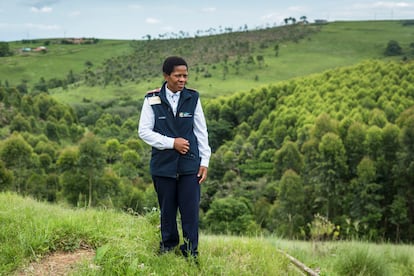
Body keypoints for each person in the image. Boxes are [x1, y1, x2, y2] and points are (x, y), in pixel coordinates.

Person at [138, 56, 211, 259]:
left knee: (190, 212)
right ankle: (168, 248)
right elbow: (144, 132)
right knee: (167, 211)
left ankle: (190, 252)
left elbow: (201, 131)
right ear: (166, 76)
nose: (182, 80)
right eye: (178, 75)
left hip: (190, 165)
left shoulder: (193, 98)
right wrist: (172, 143)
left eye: (185, 75)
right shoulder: (151, 99)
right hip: (163, 166)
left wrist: (205, 161)